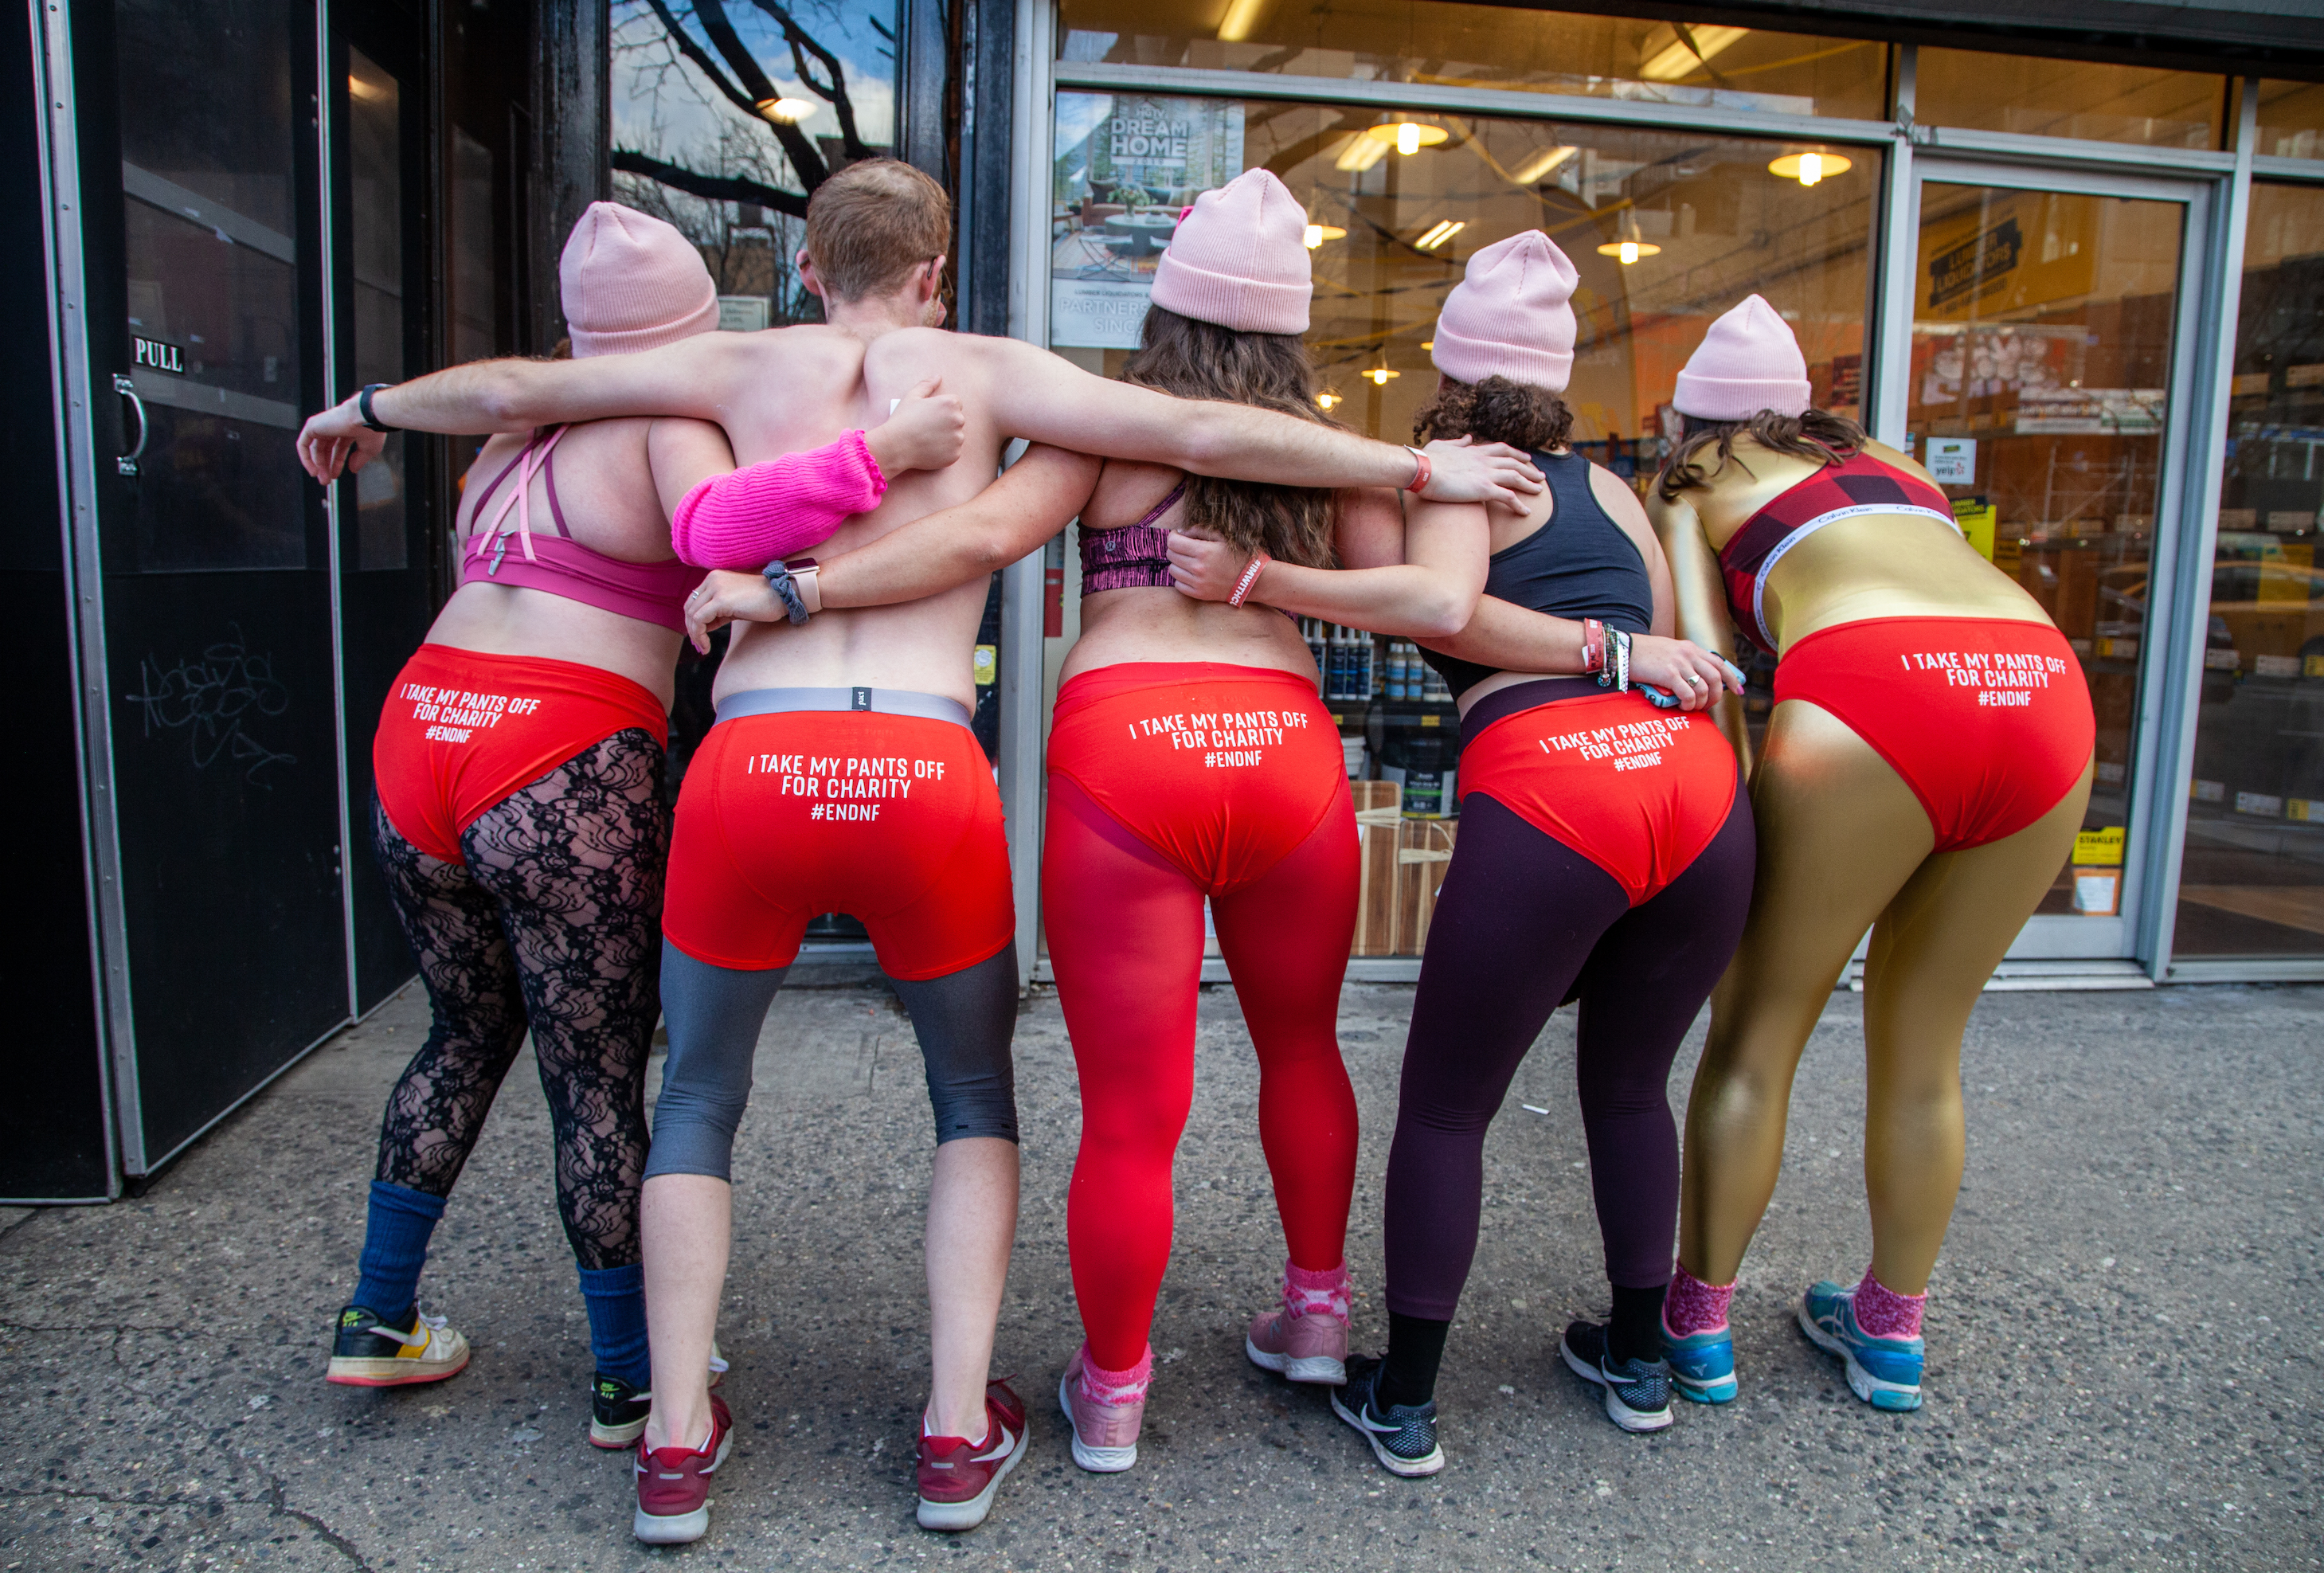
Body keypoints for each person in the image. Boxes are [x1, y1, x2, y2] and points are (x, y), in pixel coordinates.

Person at [295, 159, 1542, 1543]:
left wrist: (365, 408)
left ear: (809, 267)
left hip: (750, 763)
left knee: (698, 1096)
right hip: (935, 770)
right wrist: (1413, 464)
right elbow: (1204, 431)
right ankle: (959, 1432)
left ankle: (673, 1447)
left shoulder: (723, 365)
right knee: (973, 1098)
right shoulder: (996, 370)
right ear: (937, 271)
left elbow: (517, 394)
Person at [681, 168, 1491, 1475]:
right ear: (1291, 325)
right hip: (1282, 750)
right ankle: (1321, 1320)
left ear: (1163, 313)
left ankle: (1113, 1397)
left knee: (1130, 1110)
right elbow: (1419, 599)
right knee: (1303, 1049)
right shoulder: (1326, 446)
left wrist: (800, 589)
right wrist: (1287, 576)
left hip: (1126, 751)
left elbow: (979, 539)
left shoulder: (1106, 429)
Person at [323, 203, 949, 1447]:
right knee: (600, 1077)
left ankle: (377, 1320)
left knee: (463, 1033)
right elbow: (728, 529)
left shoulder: (507, 429)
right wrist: (878, 456)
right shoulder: (667, 421)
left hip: (421, 733)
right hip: (559, 750)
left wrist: (368, 405)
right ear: (688, 330)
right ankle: (628, 1378)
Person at [1172, 232, 1755, 1474]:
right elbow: (1650, 630)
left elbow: (1439, 612)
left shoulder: (1445, 475)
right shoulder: (1609, 490)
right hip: (1694, 791)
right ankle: (1640, 1362)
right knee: (1630, 1086)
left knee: (1445, 1108)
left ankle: (1410, 1398)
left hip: (1558, 791)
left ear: (1445, 366)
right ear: (1560, 379)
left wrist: (1258, 575)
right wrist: (1612, 654)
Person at [1649, 295, 2095, 1414]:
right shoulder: (1891, 460)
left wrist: (1736, 816)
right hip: (2042, 685)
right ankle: (1890, 1331)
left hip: (1869, 688)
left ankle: (1698, 1326)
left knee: (1757, 1030)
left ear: (1684, 422)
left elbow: (1711, 664)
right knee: (1927, 1042)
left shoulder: (1691, 478)